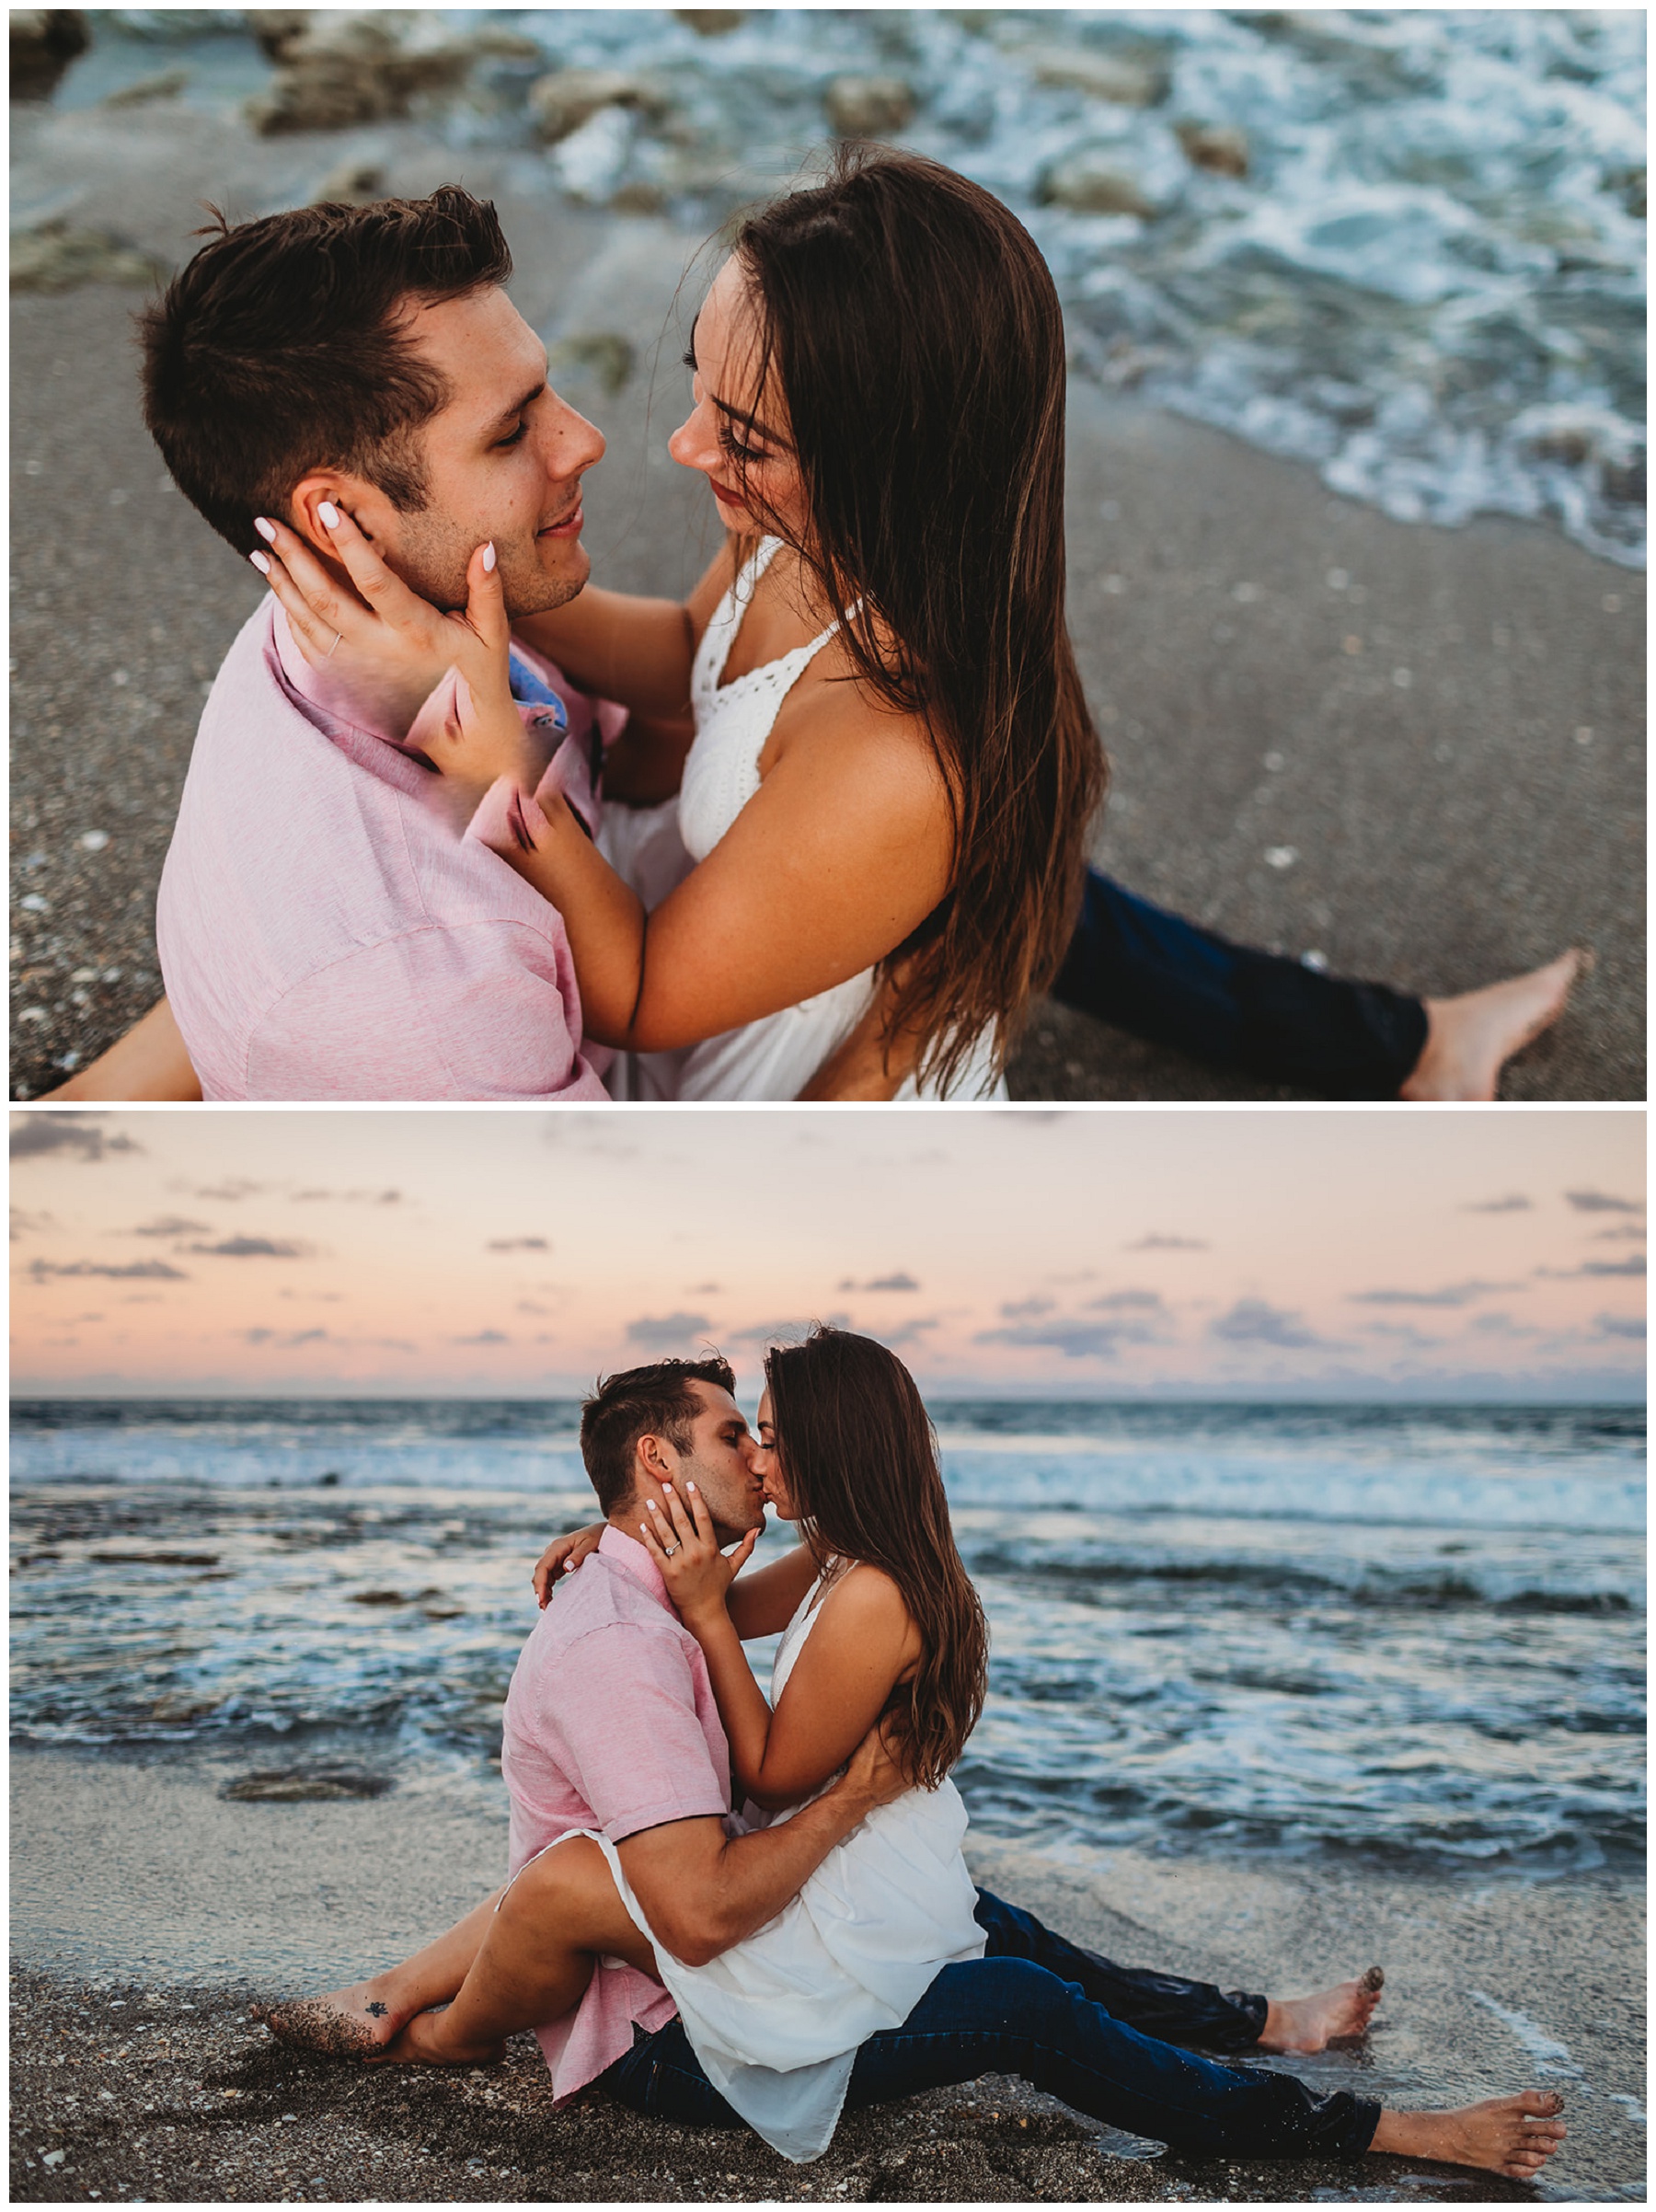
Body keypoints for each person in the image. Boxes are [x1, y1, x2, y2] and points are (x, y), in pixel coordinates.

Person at [49, 167, 1576, 1104]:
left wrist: (491, 749)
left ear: (885, 463)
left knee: (1016, 891)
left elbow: (641, 999)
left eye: (746, 432)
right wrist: (495, 635)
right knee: (1044, 895)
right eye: (706, 390)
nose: (670, 451)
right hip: (819, 844)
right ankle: (1407, 1039)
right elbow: (693, 669)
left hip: (759, 936)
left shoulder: (896, 762)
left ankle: (1408, 1048)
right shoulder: (795, 536)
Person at [256, 1342, 1566, 2183]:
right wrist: (626, 1550)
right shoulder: (770, 1582)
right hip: (727, 1980)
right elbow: (741, 1721)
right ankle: (1344, 2101)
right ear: (664, 1467)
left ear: (829, 1453)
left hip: (798, 1903)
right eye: (740, 1438)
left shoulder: (848, 1576)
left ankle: (1265, 2032)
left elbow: (749, 1716)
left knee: (1012, 1945)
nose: (761, 1462)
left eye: (768, 1436)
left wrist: (682, 1591)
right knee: (1033, 1983)